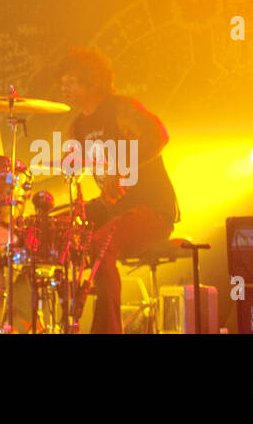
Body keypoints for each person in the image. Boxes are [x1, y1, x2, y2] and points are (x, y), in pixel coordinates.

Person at [58, 47, 178, 334]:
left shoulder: (121, 109)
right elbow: (73, 167)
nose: (64, 88)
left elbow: (158, 135)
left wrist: (120, 167)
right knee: (52, 228)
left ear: (92, 81)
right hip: (113, 207)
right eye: (62, 83)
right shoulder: (77, 127)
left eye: (71, 82)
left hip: (151, 209)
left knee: (99, 244)